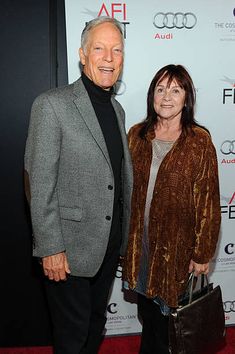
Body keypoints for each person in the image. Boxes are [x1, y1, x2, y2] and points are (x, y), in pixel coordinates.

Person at [24, 17, 132, 354]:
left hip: (107, 247)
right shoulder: (52, 104)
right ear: (82, 55)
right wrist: (50, 247)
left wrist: (123, 241)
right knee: (72, 337)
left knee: (94, 328)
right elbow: (37, 179)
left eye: (116, 50)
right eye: (99, 48)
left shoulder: (117, 109)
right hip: (67, 252)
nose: (108, 58)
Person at [122, 64, 221, 353]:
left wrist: (202, 253)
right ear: (152, 94)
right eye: (161, 88)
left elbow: (209, 203)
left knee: (171, 326)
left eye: (175, 90)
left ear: (186, 98)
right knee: (149, 317)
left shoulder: (199, 141)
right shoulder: (136, 135)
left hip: (177, 252)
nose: (167, 96)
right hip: (141, 249)